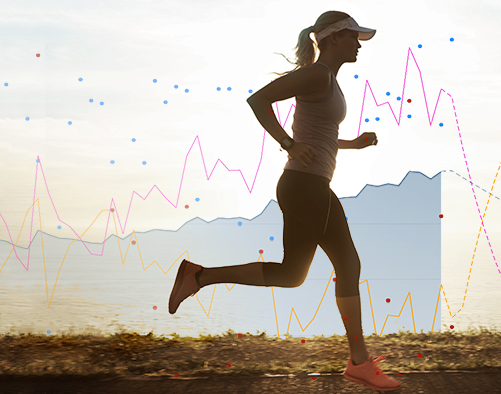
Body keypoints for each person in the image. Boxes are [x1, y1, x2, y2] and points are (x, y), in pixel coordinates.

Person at [169, 11, 399, 391]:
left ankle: (200, 276)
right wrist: (287, 144)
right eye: (354, 36)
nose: (359, 44)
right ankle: (358, 362)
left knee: (299, 274)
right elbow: (258, 101)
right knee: (340, 264)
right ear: (334, 38)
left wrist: (352, 144)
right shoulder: (319, 74)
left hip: (308, 185)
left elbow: (318, 134)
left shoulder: (329, 81)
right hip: (304, 185)